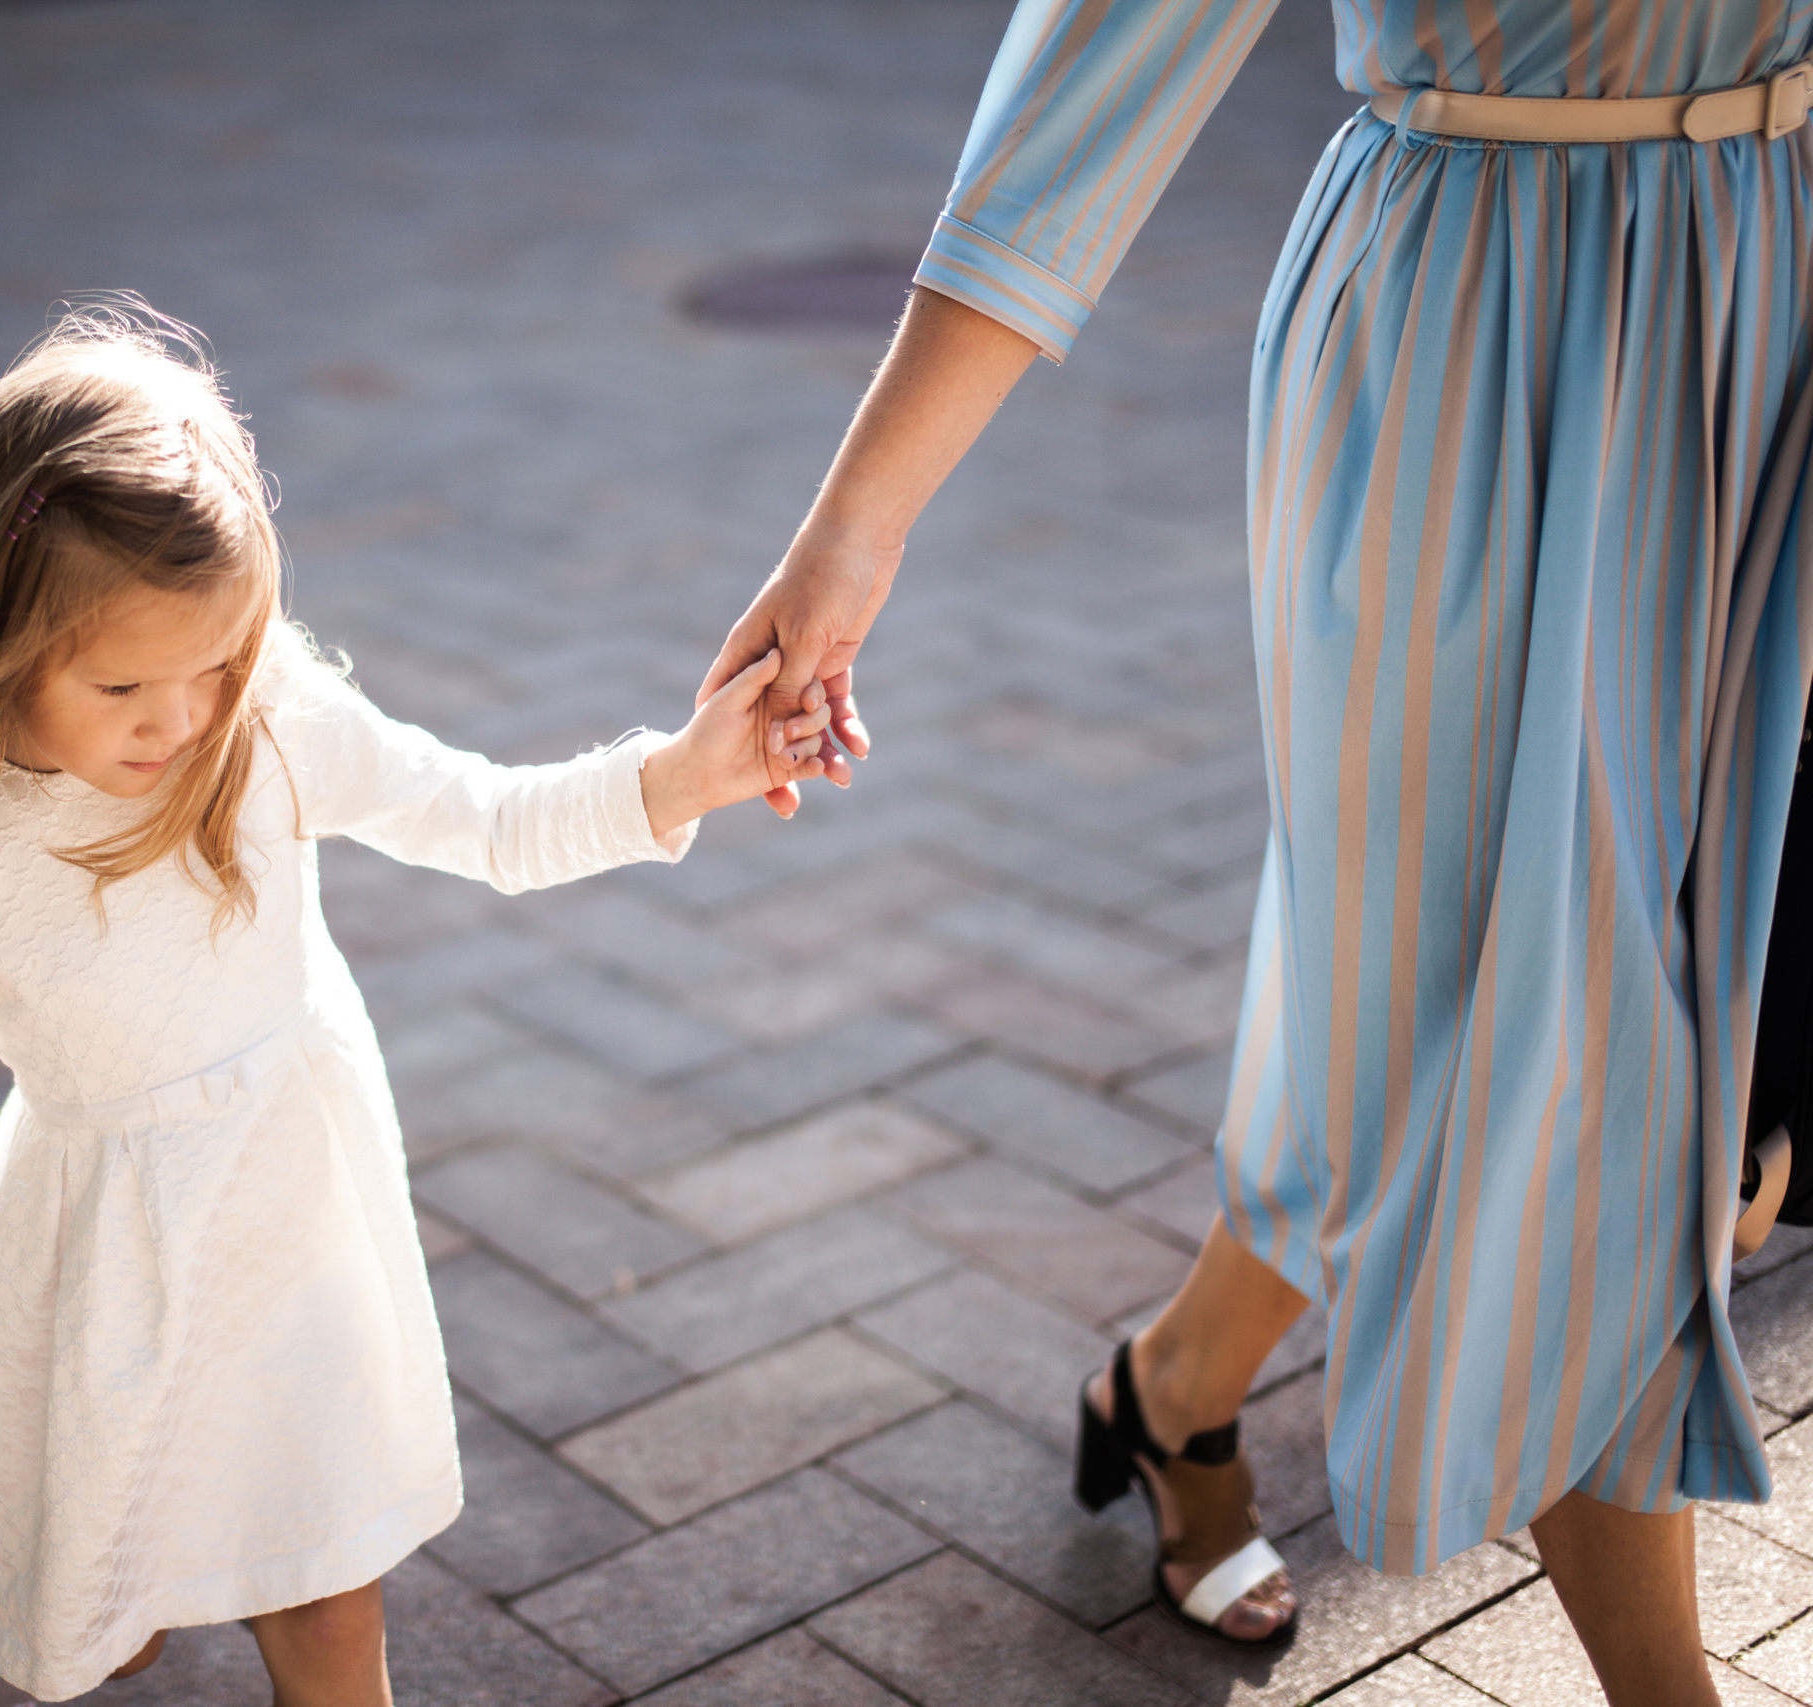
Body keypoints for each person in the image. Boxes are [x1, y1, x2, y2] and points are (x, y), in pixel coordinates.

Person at [715, 3, 1813, 1701]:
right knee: (1569, 1060)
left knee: (1457, 1007)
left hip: (1777, 291)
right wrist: (855, 528)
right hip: (1476, 329)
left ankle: (1173, 1384)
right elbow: (1097, 64)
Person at [0, 303, 833, 1707]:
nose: (181, 718)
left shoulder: (263, 719)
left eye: (213, 662)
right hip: (113, 1258)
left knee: (325, 1590)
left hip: (294, 1213)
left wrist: (686, 774)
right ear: (0, 633)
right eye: (125, 682)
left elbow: (484, 817)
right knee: (107, 1606)